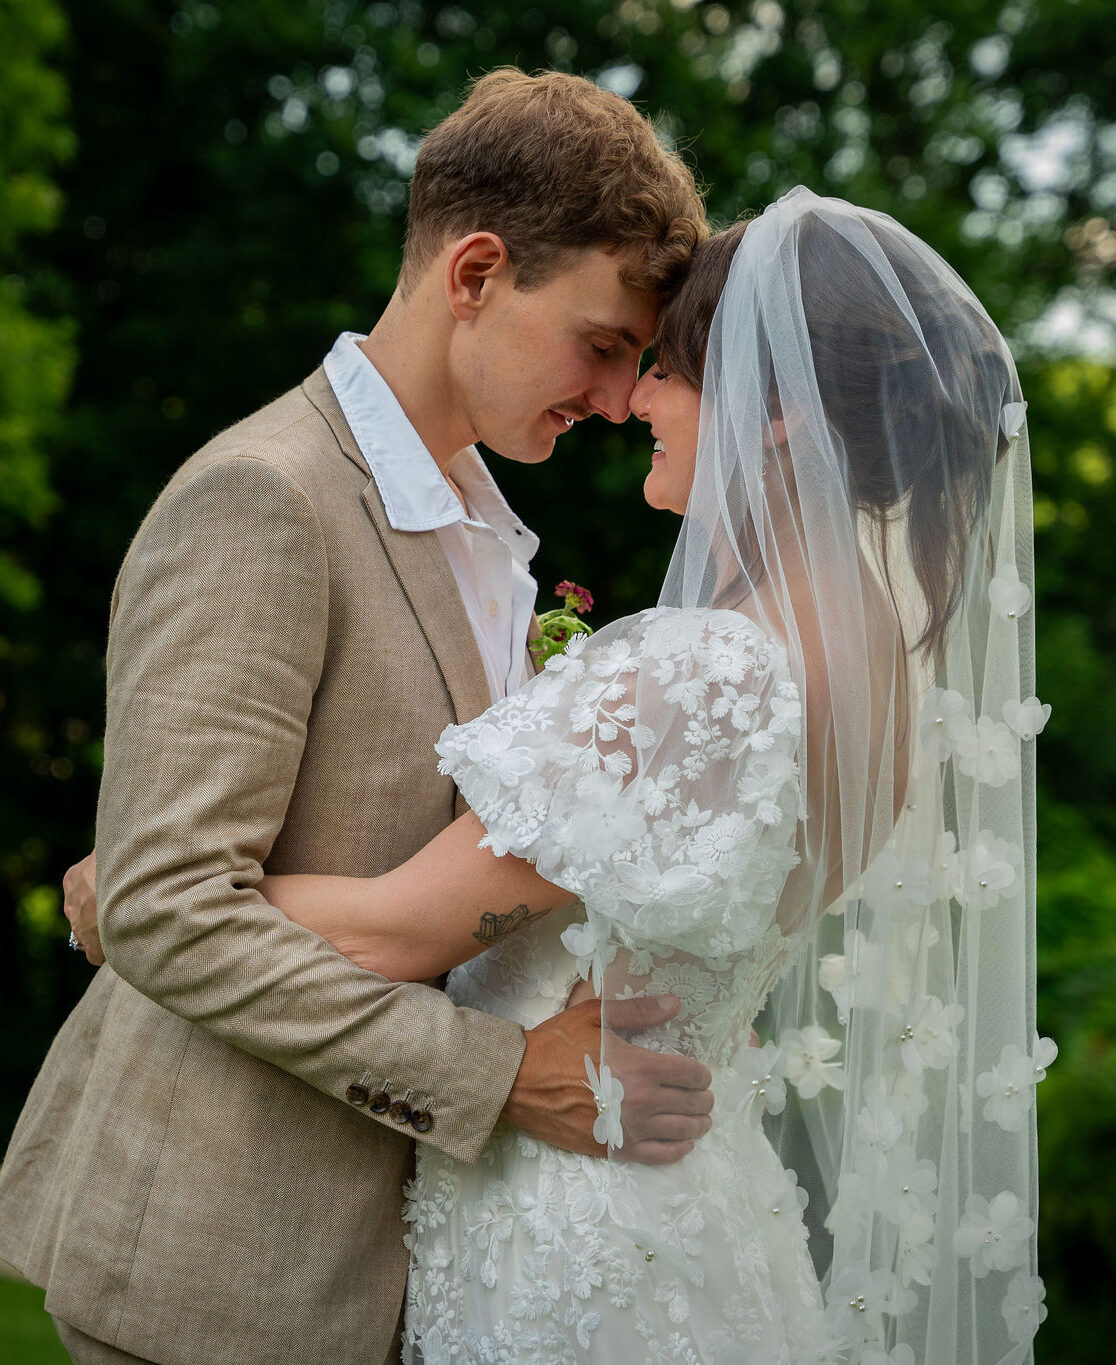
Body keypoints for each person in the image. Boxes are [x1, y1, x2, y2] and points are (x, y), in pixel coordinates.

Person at [260, 189, 1052, 1362]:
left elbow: (383, 938)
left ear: (775, 414)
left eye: (670, 370)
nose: (634, 401)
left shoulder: (709, 668)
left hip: (574, 1218)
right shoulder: (887, 666)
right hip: (700, 1198)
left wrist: (136, 896)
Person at [0, 69, 716, 1365]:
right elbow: (166, 908)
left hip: (406, 1261)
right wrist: (501, 1075)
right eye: (604, 343)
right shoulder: (263, 501)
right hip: (221, 1266)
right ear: (477, 272)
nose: (617, 398)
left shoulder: (483, 529)